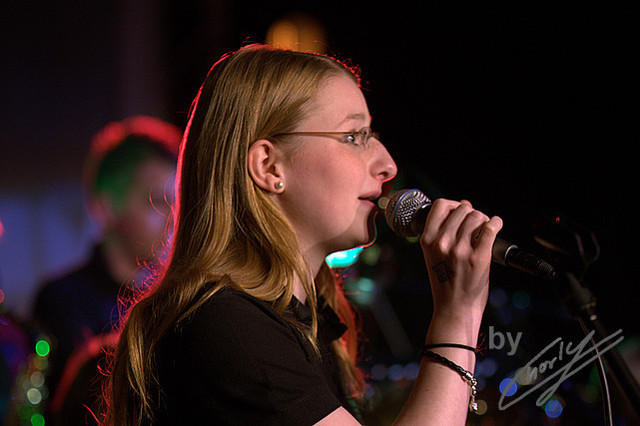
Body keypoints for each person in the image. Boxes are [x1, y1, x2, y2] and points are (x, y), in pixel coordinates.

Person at [104, 44, 503, 425]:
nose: (388, 165)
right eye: (353, 137)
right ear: (269, 166)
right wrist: (456, 317)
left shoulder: (294, 321)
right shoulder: (229, 331)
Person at [32, 116, 181, 420]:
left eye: (176, 202)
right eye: (156, 201)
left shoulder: (178, 298)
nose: (173, 219)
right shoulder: (61, 301)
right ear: (106, 206)